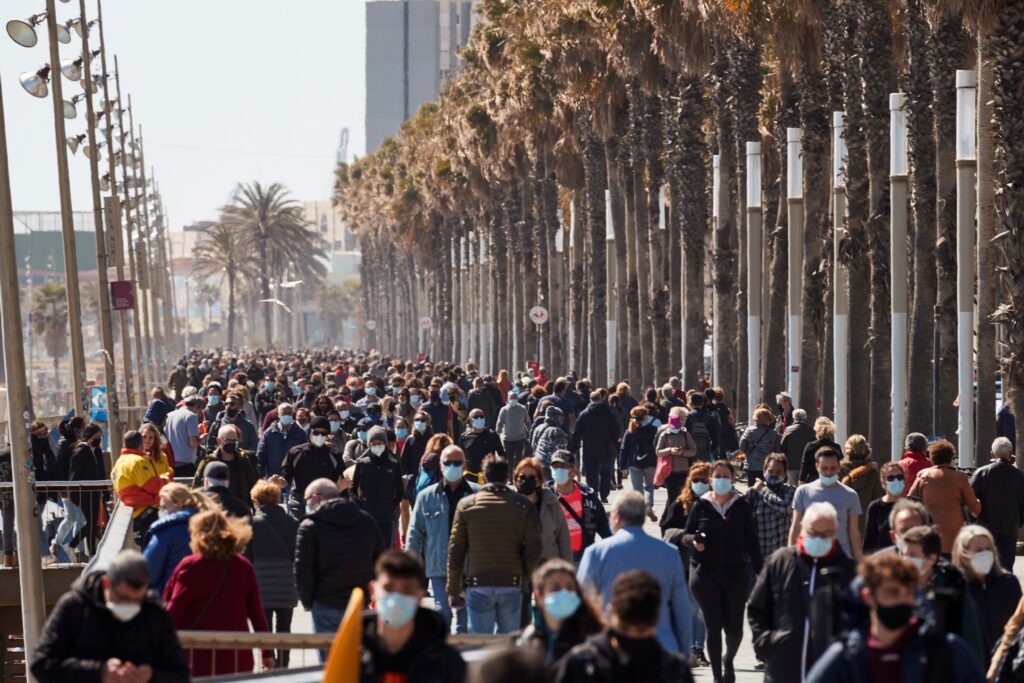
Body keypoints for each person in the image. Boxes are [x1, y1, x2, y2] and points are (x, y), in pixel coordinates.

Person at [806, 553, 985, 683]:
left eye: (908, 593)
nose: (902, 600)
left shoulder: (947, 651)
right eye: (892, 593)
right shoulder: (847, 657)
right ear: (868, 597)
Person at [30, 549, 189, 683]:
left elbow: (180, 675)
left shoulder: (155, 614)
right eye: (123, 598)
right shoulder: (74, 606)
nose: (130, 606)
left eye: (137, 600)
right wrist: (99, 672)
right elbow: (41, 663)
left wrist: (151, 675)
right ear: (107, 583)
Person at [748, 502, 857, 683]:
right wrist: (767, 643)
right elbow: (757, 608)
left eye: (826, 534)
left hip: (833, 671)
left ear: (835, 532)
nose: (820, 539)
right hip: (783, 670)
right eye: (814, 533)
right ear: (803, 529)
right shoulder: (780, 561)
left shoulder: (849, 570)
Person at [578, 491, 693, 655]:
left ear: (616, 517)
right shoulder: (669, 553)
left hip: (609, 649)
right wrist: (683, 653)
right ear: (643, 518)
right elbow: (681, 609)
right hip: (661, 649)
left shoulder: (595, 553)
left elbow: (583, 606)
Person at [163, 509, 273, 677]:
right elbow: (257, 614)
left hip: (198, 655)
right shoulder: (243, 566)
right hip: (237, 654)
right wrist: (267, 653)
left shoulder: (191, 566)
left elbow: (174, 610)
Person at [681, 459, 762, 682]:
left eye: (726, 476)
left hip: (735, 574)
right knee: (713, 625)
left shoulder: (741, 505)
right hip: (704, 574)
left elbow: (752, 542)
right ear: (711, 480)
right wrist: (694, 541)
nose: (721, 480)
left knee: (735, 630)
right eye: (717, 476)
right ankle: (718, 676)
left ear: (733, 479)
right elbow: (686, 535)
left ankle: (728, 659)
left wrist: (762, 573)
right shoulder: (701, 505)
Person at [447, 455, 543, 635]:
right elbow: (535, 545)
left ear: (483, 476)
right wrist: (526, 575)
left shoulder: (467, 506)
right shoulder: (522, 505)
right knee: (508, 644)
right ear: (507, 477)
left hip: (478, 583)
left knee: (480, 642)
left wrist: (453, 587)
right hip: (511, 581)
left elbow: (455, 549)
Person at [554, 570, 695, 683]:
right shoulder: (582, 665)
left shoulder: (674, 671)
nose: (632, 637)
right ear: (609, 612)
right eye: (624, 628)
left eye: (641, 630)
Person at [296, 478, 385, 644]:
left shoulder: (310, 525)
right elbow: (380, 560)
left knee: (328, 664)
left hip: (325, 602)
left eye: (306, 500)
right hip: (359, 602)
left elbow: (303, 569)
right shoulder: (366, 520)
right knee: (358, 660)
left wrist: (308, 602)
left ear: (316, 498)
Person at [360, 550, 467, 683]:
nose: (397, 598)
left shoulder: (447, 662)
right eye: (388, 588)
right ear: (373, 591)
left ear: (420, 596)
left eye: (407, 589)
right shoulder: (352, 656)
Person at [407, 445, 478, 634]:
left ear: (464, 466)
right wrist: (410, 566)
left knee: (466, 619)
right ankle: (442, 654)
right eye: (448, 463)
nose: (452, 466)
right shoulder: (426, 496)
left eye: (457, 463)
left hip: (469, 566)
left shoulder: (478, 494)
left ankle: (463, 658)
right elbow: (415, 533)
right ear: (440, 465)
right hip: (439, 566)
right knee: (443, 613)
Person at [952, 524, 1022, 666]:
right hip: (970, 666)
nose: (984, 554)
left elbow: (1019, 626)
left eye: (988, 549)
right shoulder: (956, 587)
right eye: (978, 550)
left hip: (1005, 666)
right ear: (964, 555)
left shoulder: (1009, 583)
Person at [515, 558, 604, 666]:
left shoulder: (593, 639)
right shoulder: (524, 641)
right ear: (539, 597)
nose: (564, 593)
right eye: (555, 588)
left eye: (570, 587)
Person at [248, 481, 298, 668]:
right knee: (285, 629)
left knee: (265, 629)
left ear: (257, 501)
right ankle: (284, 665)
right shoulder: (291, 523)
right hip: (286, 583)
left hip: (262, 585)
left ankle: (269, 663)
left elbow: (247, 556)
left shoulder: (253, 524)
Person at [907, 439, 981, 555]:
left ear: (932, 457)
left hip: (929, 534)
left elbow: (909, 502)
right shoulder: (960, 477)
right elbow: (975, 508)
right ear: (951, 457)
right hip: (954, 535)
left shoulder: (923, 475)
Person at [789, 447, 863, 561]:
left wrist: (859, 559)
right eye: (824, 468)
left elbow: (854, 532)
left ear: (839, 467)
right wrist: (790, 557)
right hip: (809, 554)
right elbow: (795, 527)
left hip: (840, 556)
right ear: (817, 467)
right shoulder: (803, 491)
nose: (828, 472)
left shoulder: (851, 495)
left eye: (832, 468)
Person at [269, 416, 344, 519]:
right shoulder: (296, 452)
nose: (319, 436)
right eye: (316, 432)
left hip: (326, 504)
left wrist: (342, 486)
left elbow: (341, 481)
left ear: (328, 435)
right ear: (310, 432)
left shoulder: (334, 455)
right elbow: (286, 477)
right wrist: (280, 482)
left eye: (323, 433)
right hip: (300, 504)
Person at [143, 483, 212, 595]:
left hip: (172, 597)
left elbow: (147, 573)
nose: (162, 511)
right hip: (207, 597)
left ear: (178, 505)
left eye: (164, 507)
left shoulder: (165, 531)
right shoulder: (210, 525)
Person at [970, 436, 1024, 571]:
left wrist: (973, 520)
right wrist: (1018, 522)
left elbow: (970, 500)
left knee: (985, 568)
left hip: (985, 528)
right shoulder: (1019, 475)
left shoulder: (981, 472)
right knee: (1006, 569)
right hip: (1010, 528)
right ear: (1010, 453)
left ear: (992, 454)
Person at [548, 450, 611, 563]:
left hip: (583, 557)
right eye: (555, 466)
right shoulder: (544, 495)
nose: (558, 470)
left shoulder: (588, 495)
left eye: (562, 466)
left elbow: (603, 524)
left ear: (573, 470)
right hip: (554, 558)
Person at [112, 428, 171, 547]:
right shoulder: (138, 461)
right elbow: (153, 486)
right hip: (148, 512)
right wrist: (166, 479)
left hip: (137, 513)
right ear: (140, 444)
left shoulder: (120, 461)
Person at [352, 425, 405, 546]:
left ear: (386, 443)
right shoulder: (362, 463)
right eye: (373, 442)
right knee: (367, 550)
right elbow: (353, 489)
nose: (377, 445)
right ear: (369, 444)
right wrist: (360, 505)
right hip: (366, 517)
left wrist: (391, 506)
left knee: (385, 550)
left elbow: (400, 491)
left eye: (380, 442)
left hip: (386, 518)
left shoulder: (393, 464)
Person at [515, 457, 572, 564]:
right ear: (516, 479)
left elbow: (563, 539)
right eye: (522, 477)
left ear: (539, 481)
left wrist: (567, 569)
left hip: (548, 571)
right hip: (519, 573)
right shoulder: (509, 505)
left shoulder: (551, 503)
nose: (526, 480)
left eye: (532, 477)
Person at [192, 424, 259, 510]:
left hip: (240, 511)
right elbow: (197, 488)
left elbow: (254, 486)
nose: (232, 443)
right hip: (217, 511)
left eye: (234, 441)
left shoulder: (244, 461)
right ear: (219, 441)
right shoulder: (208, 462)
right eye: (228, 440)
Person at [744, 453, 797, 559]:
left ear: (785, 473)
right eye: (771, 471)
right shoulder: (753, 492)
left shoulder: (791, 491)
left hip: (781, 558)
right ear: (764, 472)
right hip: (758, 557)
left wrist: (763, 490)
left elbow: (784, 508)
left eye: (778, 472)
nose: (774, 474)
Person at [571, 391, 621, 502]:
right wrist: (615, 442)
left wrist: (573, 448)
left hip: (589, 448)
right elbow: (615, 429)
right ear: (601, 399)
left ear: (590, 400)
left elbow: (577, 432)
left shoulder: (584, 414)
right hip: (605, 447)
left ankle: (593, 494)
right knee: (605, 472)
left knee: (591, 473)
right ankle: (604, 494)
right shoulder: (608, 412)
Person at [618, 406, 659, 522]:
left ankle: (639, 510)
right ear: (646, 417)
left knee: (637, 489)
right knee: (649, 487)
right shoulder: (653, 430)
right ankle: (649, 506)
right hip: (650, 462)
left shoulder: (630, 431)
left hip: (634, 463)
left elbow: (623, 449)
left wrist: (622, 466)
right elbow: (657, 446)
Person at [862, 461, 912, 554]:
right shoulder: (875, 507)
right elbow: (869, 541)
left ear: (904, 480)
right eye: (891, 478)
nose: (896, 481)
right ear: (883, 482)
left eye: (899, 477)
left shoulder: (915, 504)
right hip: (884, 562)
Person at [655, 408, 698, 513]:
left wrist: (682, 452)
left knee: (684, 497)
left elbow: (693, 451)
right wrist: (670, 450)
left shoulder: (685, 434)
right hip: (670, 472)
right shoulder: (664, 434)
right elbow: (658, 451)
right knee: (672, 498)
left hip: (684, 471)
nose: (676, 428)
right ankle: (669, 518)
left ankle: (681, 518)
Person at [839, 435, 883, 535]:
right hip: (867, 524)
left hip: (845, 523)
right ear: (866, 450)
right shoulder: (872, 471)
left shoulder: (839, 470)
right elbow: (878, 498)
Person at [255, 402, 308, 478]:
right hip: (272, 478)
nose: (287, 415)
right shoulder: (268, 433)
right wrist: (260, 477)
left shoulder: (301, 433)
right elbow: (260, 456)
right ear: (278, 415)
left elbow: (305, 457)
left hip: (293, 479)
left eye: (289, 413)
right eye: (284, 413)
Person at [458, 408, 506, 482]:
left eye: (481, 416)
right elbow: (460, 459)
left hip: (489, 477)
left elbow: (502, 454)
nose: (479, 418)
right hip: (470, 477)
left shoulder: (492, 435)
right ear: (470, 420)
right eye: (476, 417)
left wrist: (502, 473)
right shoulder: (464, 437)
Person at [738, 407, 782, 486]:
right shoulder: (773, 434)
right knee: (767, 489)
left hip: (751, 465)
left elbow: (742, 446)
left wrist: (748, 452)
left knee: (752, 488)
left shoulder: (749, 431)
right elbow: (778, 450)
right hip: (768, 466)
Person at [164, 396, 202, 478]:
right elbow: (193, 443)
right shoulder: (191, 416)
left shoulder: (169, 415)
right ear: (196, 406)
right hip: (185, 463)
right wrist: (202, 438)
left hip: (169, 461)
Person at [798, 417, 842, 484]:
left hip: (813, 480)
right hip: (832, 480)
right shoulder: (836, 447)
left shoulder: (810, 446)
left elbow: (804, 467)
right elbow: (840, 467)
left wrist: (801, 484)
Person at [497, 389, 533, 470]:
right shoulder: (504, 410)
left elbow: (527, 422)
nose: (513, 400)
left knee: (519, 459)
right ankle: (510, 477)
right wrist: (498, 434)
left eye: (514, 398)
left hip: (520, 438)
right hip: (508, 439)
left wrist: (530, 432)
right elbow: (499, 423)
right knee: (509, 459)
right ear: (508, 399)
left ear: (517, 399)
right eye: (511, 398)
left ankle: (517, 474)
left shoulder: (523, 409)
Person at [532, 406, 569, 479]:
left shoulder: (539, 427)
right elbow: (561, 452)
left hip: (537, 462)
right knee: (551, 488)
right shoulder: (557, 431)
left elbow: (533, 445)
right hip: (549, 466)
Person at [780, 409, 815, 485]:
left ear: (794, 417)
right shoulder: (810, 430)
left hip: (791, 465)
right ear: (805, 418)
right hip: (806, 465)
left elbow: (782, 447)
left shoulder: (788, 430)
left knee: (793, 487)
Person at [683, 392, 719, 463]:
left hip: (691, 453)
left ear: (691, 403)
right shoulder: (709, 417)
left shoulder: (688, 417)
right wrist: (710, 450)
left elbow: (684, 434)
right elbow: (716, 438)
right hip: (705, 452)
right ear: (702, 403)